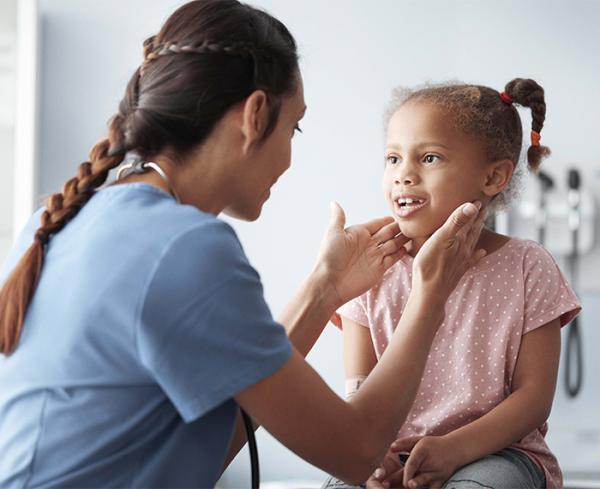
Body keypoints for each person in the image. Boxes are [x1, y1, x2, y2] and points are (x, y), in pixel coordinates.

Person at [0, 1, 487, 488]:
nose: (291, 158)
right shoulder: (187, 248)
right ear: (255, 114)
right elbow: (357, 450)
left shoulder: (63, 218)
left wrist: (325, 287)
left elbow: (207, 436)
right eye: (293, 127)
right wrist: (430, 296)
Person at [323, 79, 581, 489]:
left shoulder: (528, 266)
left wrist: (455, 449)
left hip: (500, 453)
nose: (403, 175)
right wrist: (375, 457)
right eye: (392, 158)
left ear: (494, 177)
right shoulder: (371, 267)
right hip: (390, 448)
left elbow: (533, 399)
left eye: (428, 158)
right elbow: (359, 388)